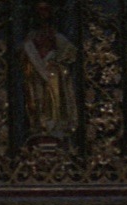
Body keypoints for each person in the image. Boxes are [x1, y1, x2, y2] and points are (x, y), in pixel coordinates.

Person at [21, 1, 78, 142]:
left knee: (53, 97)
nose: (43, 14)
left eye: (46, 10)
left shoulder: (56, 35)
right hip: (35, 73)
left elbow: (70, 53)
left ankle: (54, 126)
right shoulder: (31, 36)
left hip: (53, 74)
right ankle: (39, 125)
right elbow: (23, 55)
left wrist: (55, 61)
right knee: (37, 99)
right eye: (40, 10)